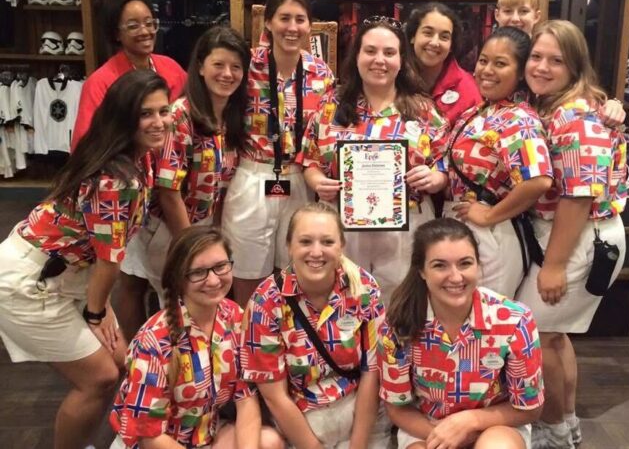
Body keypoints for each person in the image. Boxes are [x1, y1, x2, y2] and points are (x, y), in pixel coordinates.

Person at [0, 70, 171, 449]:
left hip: (66, 273)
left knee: (121, 362)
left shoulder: (136, 159)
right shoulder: (115, 179)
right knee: (100, 378)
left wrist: (99, 307)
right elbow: (109, 259)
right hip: (31, 282)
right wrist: (97, 313)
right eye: (146, 113)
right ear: (124, 117)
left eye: (163, 111)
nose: (159, 122)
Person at [514, 20, 628, 449]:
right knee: (554, 335)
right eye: (536, 57)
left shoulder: (577, 118)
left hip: (581, 236)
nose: (542, 67)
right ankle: (566, 422)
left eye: (556, 60)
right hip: (573, 233)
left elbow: (578, 198)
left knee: (535, 335)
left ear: (575, 66)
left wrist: (555, 266)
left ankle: (553, 431)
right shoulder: (550, 106)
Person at [299, 16, 449, 302]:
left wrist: (435, 178)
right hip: (344, 223)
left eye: (389, 52)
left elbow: (445, 163)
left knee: (401, 304)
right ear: (357, 56)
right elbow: (310, 160)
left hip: (407, 224)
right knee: (345, 300)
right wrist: (318, 182)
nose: (379, 60)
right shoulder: (331, 105)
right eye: (370, 51)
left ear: (402, 60)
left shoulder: (422, 109)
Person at [117, 26, 250, 341]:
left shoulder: (229, 117)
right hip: (167, 225)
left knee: (189, 302)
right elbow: (169, 191)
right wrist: (189, 246)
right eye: (218, 64)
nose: (227, 74)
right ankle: (144, 362)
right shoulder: (180, 116)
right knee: (172, 302)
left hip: (200, 223)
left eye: (236, 66)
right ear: (201, 66)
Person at [110, 226, 283, 449]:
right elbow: (149, 436)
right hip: (155, 444)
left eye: (220, 266)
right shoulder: (153, 341)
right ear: (178, 279)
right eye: (198, 272)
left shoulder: (234, 317)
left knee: (269, 442)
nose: (213, 280)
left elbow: (245, 398)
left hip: (204, 434)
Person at [378, 218, 544, 449]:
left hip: (496, 424)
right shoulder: (398, 325)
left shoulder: (515, 320)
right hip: (427, 425)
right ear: (422, 271)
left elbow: (530, 408)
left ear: (478, 265)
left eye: (465, 263)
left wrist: (470, 421)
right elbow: (397, 407)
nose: (456, 277)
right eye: (440, 265)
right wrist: (446, 436)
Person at [240, 203, 390, 449]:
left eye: (328, 242)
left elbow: (371, 371)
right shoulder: (265, 302)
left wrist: (358, 445)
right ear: (289, 246)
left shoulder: (363, 288)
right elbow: (275, 396)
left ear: (342, 246)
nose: (316, 252)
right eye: (305, 242)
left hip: (362, 413)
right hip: (301, 421)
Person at [221, 0, 335, 308]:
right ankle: (249, 332)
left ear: (309, 25)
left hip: (300, 178)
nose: (292, 27)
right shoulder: (246, 66)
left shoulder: (321, 73)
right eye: (284, 18)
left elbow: (324, 132)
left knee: (296, 272)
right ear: (268, 22)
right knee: (246, 272)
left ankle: (287, 334)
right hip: (254, 174)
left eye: (300, 19)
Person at [446, 27, 553, 299]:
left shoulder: (519, 119)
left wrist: (489, 215)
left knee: (487, 315)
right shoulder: (479, 110)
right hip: (467, 230)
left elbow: (538, 179)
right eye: (483, 61)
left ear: (521, 72)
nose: (487, 70)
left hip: (493, 234)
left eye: (500, 63)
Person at [495, 0, 626, 127]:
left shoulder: (547, 43)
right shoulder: (491, 51)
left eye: (523, 11)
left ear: (536, 16)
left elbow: (581, 85)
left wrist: (613, 105)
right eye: (508, 11)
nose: (515, 19)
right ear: (497, 15)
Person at [72, 0, 186, 149]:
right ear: (116, 34)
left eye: (149, 23)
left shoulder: (171, 68)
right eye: (133, 26)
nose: (145, 32)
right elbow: (84, 147)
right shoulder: (99, 82)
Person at [404, 2, 482, 126]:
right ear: (413, 36)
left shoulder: (468, 90)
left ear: (451, 45)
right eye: (428, 33)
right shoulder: (394, 78)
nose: (435, 43)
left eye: (444, 37)